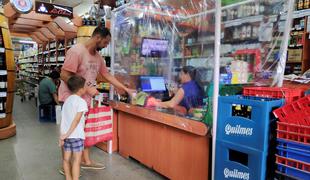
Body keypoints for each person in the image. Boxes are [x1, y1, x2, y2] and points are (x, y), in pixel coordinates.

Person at [58, 26, 135, 171]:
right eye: (105, 42)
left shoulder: (98, 57)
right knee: (70, 132)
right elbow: (64, 74)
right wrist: (87, 87)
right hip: (70, 99)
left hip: (84, 100)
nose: (106, 46)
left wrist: (124, 88)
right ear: (98, 37)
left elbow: (107, 75)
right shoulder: (76, 51)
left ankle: (85, 161)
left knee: (82, 131)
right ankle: (66, 166)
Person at [59, 76, 88, 180]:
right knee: (76, 160)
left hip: (66, 136)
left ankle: (68, 177)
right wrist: (67, 134)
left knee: (66, 159)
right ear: (81, 89)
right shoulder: (81, 102)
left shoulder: (67, 101)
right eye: (85, 86)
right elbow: (76, 120)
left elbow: (63, 120)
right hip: (76, 135)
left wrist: (62, 136)